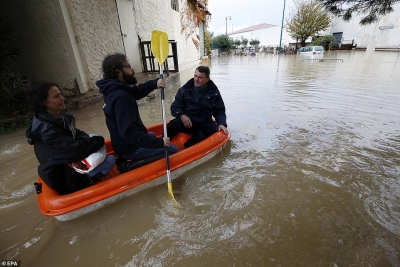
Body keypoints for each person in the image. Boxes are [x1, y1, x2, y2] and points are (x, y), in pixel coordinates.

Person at [25, 82, 115, 195]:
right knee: (110, 160)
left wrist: (91, 141)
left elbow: (77, 134)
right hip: (65, 179)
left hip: (64, 166)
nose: (63, 98)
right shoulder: (48, 132)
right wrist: (98, 140)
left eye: (60, 94)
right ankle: (89, 183)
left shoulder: (56, 118)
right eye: (56, 96)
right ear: (42, 102)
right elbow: (76, 149)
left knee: (92, 137)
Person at [96, 53, 178, 162]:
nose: (132, 69)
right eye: (128, 66)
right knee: (172, 149)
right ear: (118, 72)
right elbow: (129, 132)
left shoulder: (112, 89)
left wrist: (155, 83)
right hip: (130, 148)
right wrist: (159, 143)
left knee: (152, 135)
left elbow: (136, 91)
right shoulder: (122, 98)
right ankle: (133, 163)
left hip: (121, 142)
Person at [167, 66, 228, 148]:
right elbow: (175, 106)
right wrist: (182, 115)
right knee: (173, 124)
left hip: (203, 123)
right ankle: (162, 145)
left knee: (213, 127)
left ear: (207, 79)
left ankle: (190, 144)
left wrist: (221, 123)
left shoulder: (214, 93)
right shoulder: (184, 90)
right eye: (195, 76)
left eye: (200, 77)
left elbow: (219, 110)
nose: (196, 79)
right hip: (188, 123)